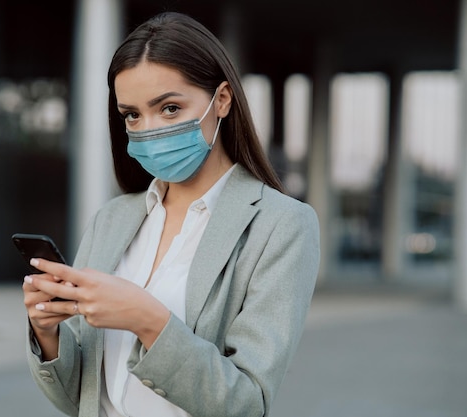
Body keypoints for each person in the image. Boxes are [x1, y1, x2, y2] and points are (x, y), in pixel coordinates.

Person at [22, 11, 320, 417]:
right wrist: (47, 332)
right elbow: (79, 397)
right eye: (132, 114)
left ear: (222, 100)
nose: (149, 129)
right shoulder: (112, 219)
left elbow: (246, 403)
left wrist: (149, 320)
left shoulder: (282, 225)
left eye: (169, 109)